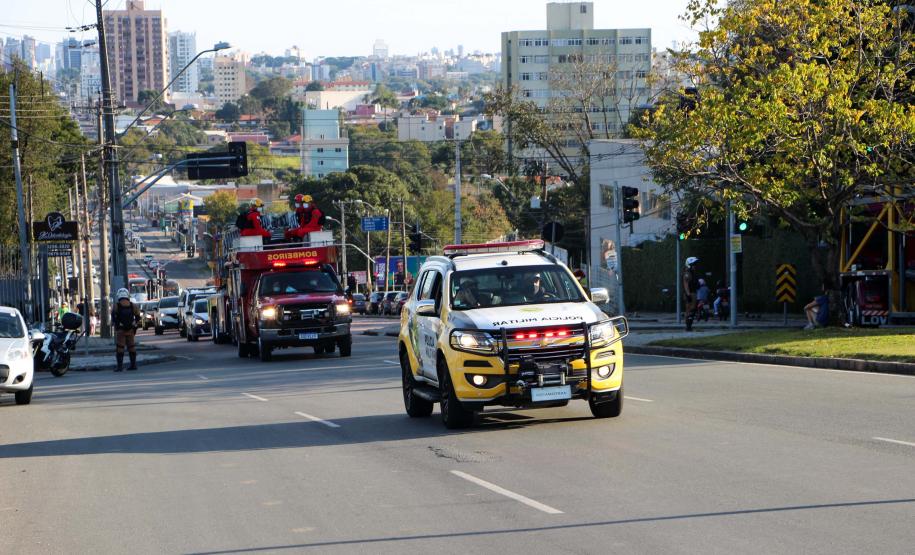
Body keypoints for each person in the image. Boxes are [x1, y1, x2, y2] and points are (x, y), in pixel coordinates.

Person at [111, 288, 141, 372]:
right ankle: (133, 365)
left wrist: (118, 324)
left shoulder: (116, 305)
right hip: (130, 330)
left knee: (120, 347)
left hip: (121, 330)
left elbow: (113, 317)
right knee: (131, 347)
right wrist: (134, 325)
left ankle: (120, 367)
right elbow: (138, 317)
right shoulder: (133, 305)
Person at [683, 257, 699, 331]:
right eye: (693, 265)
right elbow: (686, 285)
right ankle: (688, 326)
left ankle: (689, 326)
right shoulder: (687, 273)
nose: (695, 266)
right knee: (689, 310)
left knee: (693, 310)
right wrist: (688, 295)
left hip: (693, 293)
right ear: (689, 265)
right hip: (690, 294)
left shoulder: (692, 273)